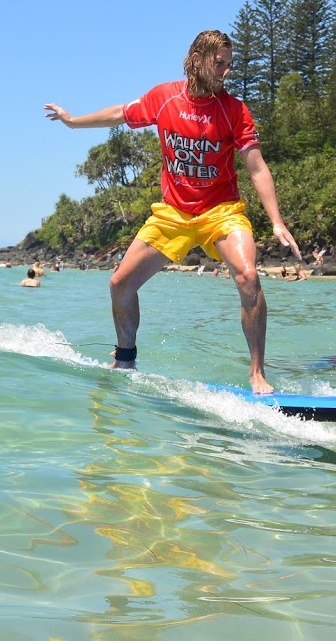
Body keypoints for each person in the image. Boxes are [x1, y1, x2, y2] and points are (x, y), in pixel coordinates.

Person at [45, 29, 300, 393]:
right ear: (197, 60)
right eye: (219, 64)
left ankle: (257, 372)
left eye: (230, 65)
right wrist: (73, 122)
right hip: (173, 213)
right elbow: (120, 113)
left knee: (248, 277)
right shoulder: (165, 98)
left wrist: (276, 221)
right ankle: (125, 357)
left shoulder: (234, 110)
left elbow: (256, 167)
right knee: (119, 283)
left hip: (221, 211)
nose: (226, 72)